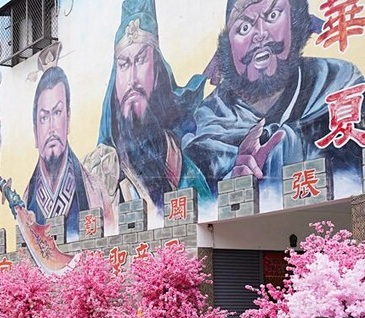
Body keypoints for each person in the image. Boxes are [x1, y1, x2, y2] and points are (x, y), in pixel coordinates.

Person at [183, 0, 365, 208]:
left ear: (294, 23)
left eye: (272, 16)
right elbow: (201, 204)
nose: (260, 34)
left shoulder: (338, 82)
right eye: (244, 27)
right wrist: (236, 185)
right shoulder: (210, 122)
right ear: (228, 49)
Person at [89, 0, 212, 229]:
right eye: (124, 64)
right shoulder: (101, 166)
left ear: (157, 74)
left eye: (141, 60)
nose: (133, 79)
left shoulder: (179, 161)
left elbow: (208, 211)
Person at [24, 64, 102, 241]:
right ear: (36, 131)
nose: (51, 127)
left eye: (57, 113)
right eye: (44, 118)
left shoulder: (95, 190)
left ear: (68, 118)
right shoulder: (26, 199)